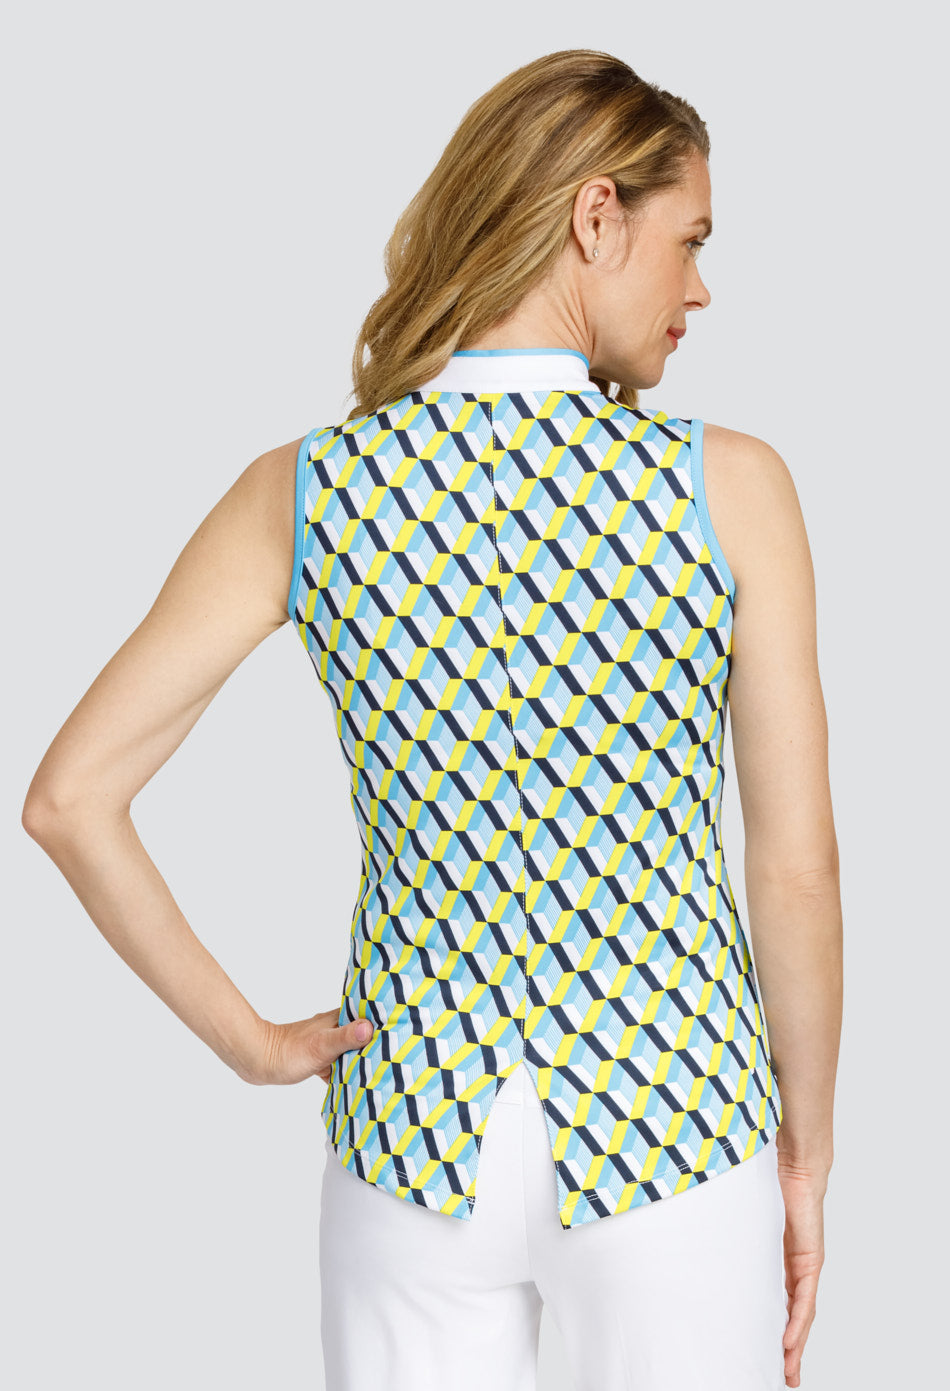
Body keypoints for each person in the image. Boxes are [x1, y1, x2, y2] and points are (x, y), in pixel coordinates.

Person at [22, 47, 842, 1391]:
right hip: (676, 1128)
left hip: (408, 1137)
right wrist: (802, 1156)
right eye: (689, 241)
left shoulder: (305, 489)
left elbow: (69, 800)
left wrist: (254, 1047)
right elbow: (795, 869)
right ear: (595, 217)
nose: (699, 288)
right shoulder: (729, 486)